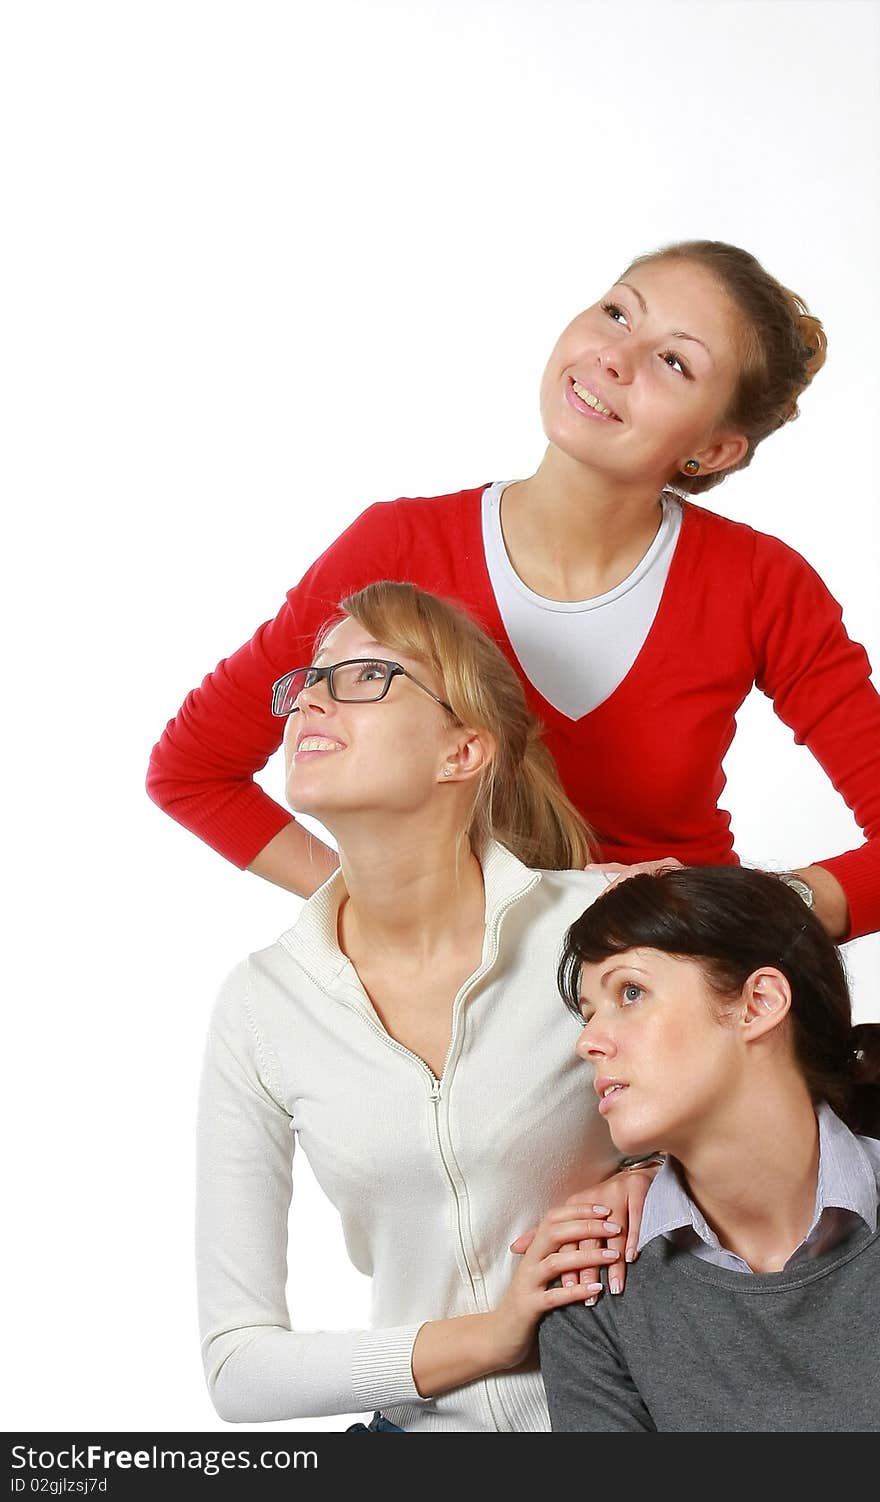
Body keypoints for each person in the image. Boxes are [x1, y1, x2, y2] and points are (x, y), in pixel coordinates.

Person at [148, 239, 880, 942]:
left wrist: (741, 918)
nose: (614, 358)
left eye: (674, 361)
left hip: (680, 1005)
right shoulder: (395, 547)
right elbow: (194, 771)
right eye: (618, 313)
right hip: (464, 1020)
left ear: (712, 451)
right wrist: (390, 913)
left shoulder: (761, 584)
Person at [197, 581, 656, 1433]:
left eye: (365, 674)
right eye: (308, 679)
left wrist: (654, 1179)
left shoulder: (599, 927)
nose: (310, 699)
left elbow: (783, 1130)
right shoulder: (264, 1002)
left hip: (628, 1423)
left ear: (463, 752)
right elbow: (239, 1367)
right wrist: (490, 1336)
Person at [539, 867, 880, 1433]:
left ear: (758, 1004)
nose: (587, 1042)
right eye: (589, 1012)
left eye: (630, 992)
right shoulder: (593, 1288)